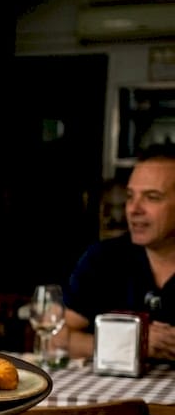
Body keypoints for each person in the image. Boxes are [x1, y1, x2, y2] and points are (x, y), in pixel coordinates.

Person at [63, 142, 175, 361]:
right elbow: (58, 338)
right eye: (130, 196)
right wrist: (130, 343)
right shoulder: (104, 259)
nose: (133, 209)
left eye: (152, 197)